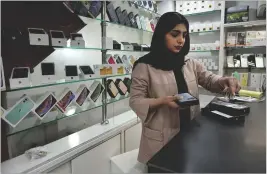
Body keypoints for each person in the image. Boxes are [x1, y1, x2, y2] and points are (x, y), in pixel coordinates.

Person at [129, 12, 241, 164]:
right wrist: (162, 101)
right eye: (175, 34)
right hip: (160, 140)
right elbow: (136, 101)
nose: (181, 40)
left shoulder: (189, 63)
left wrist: (224, 80)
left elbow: (208, 79)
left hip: (190, 132)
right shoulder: (144, 66)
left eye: (184, 35)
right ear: (162, 34)